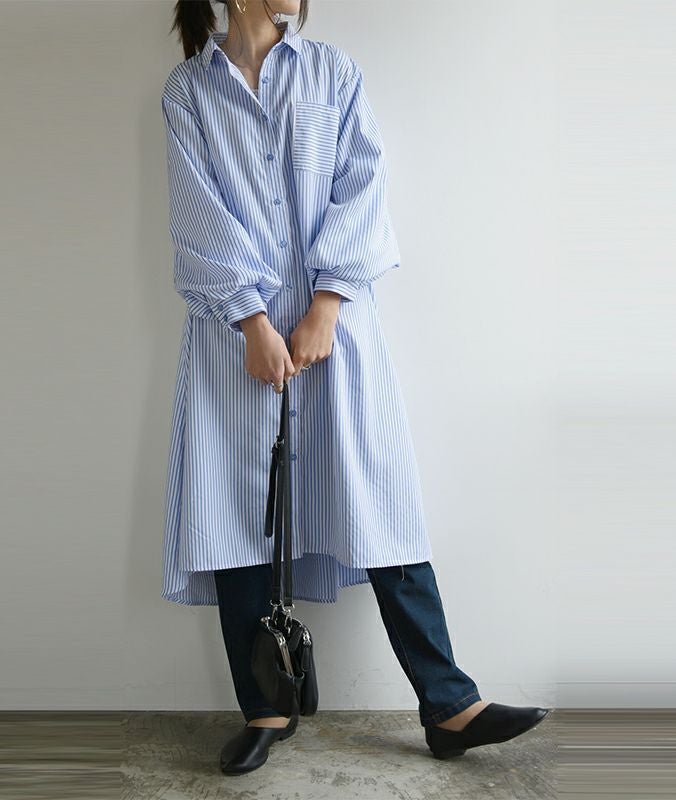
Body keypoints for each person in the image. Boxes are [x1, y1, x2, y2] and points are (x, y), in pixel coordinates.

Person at [161, 0, 551, 775]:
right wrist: (251, 322)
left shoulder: (333, 74)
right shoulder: (189, 91)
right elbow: (197, 212)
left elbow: (362, 186)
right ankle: (265, 708)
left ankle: (448, 703)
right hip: (233, 340)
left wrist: (326, 305)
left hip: (335, 334)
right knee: (238, 507)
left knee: (379, 502)